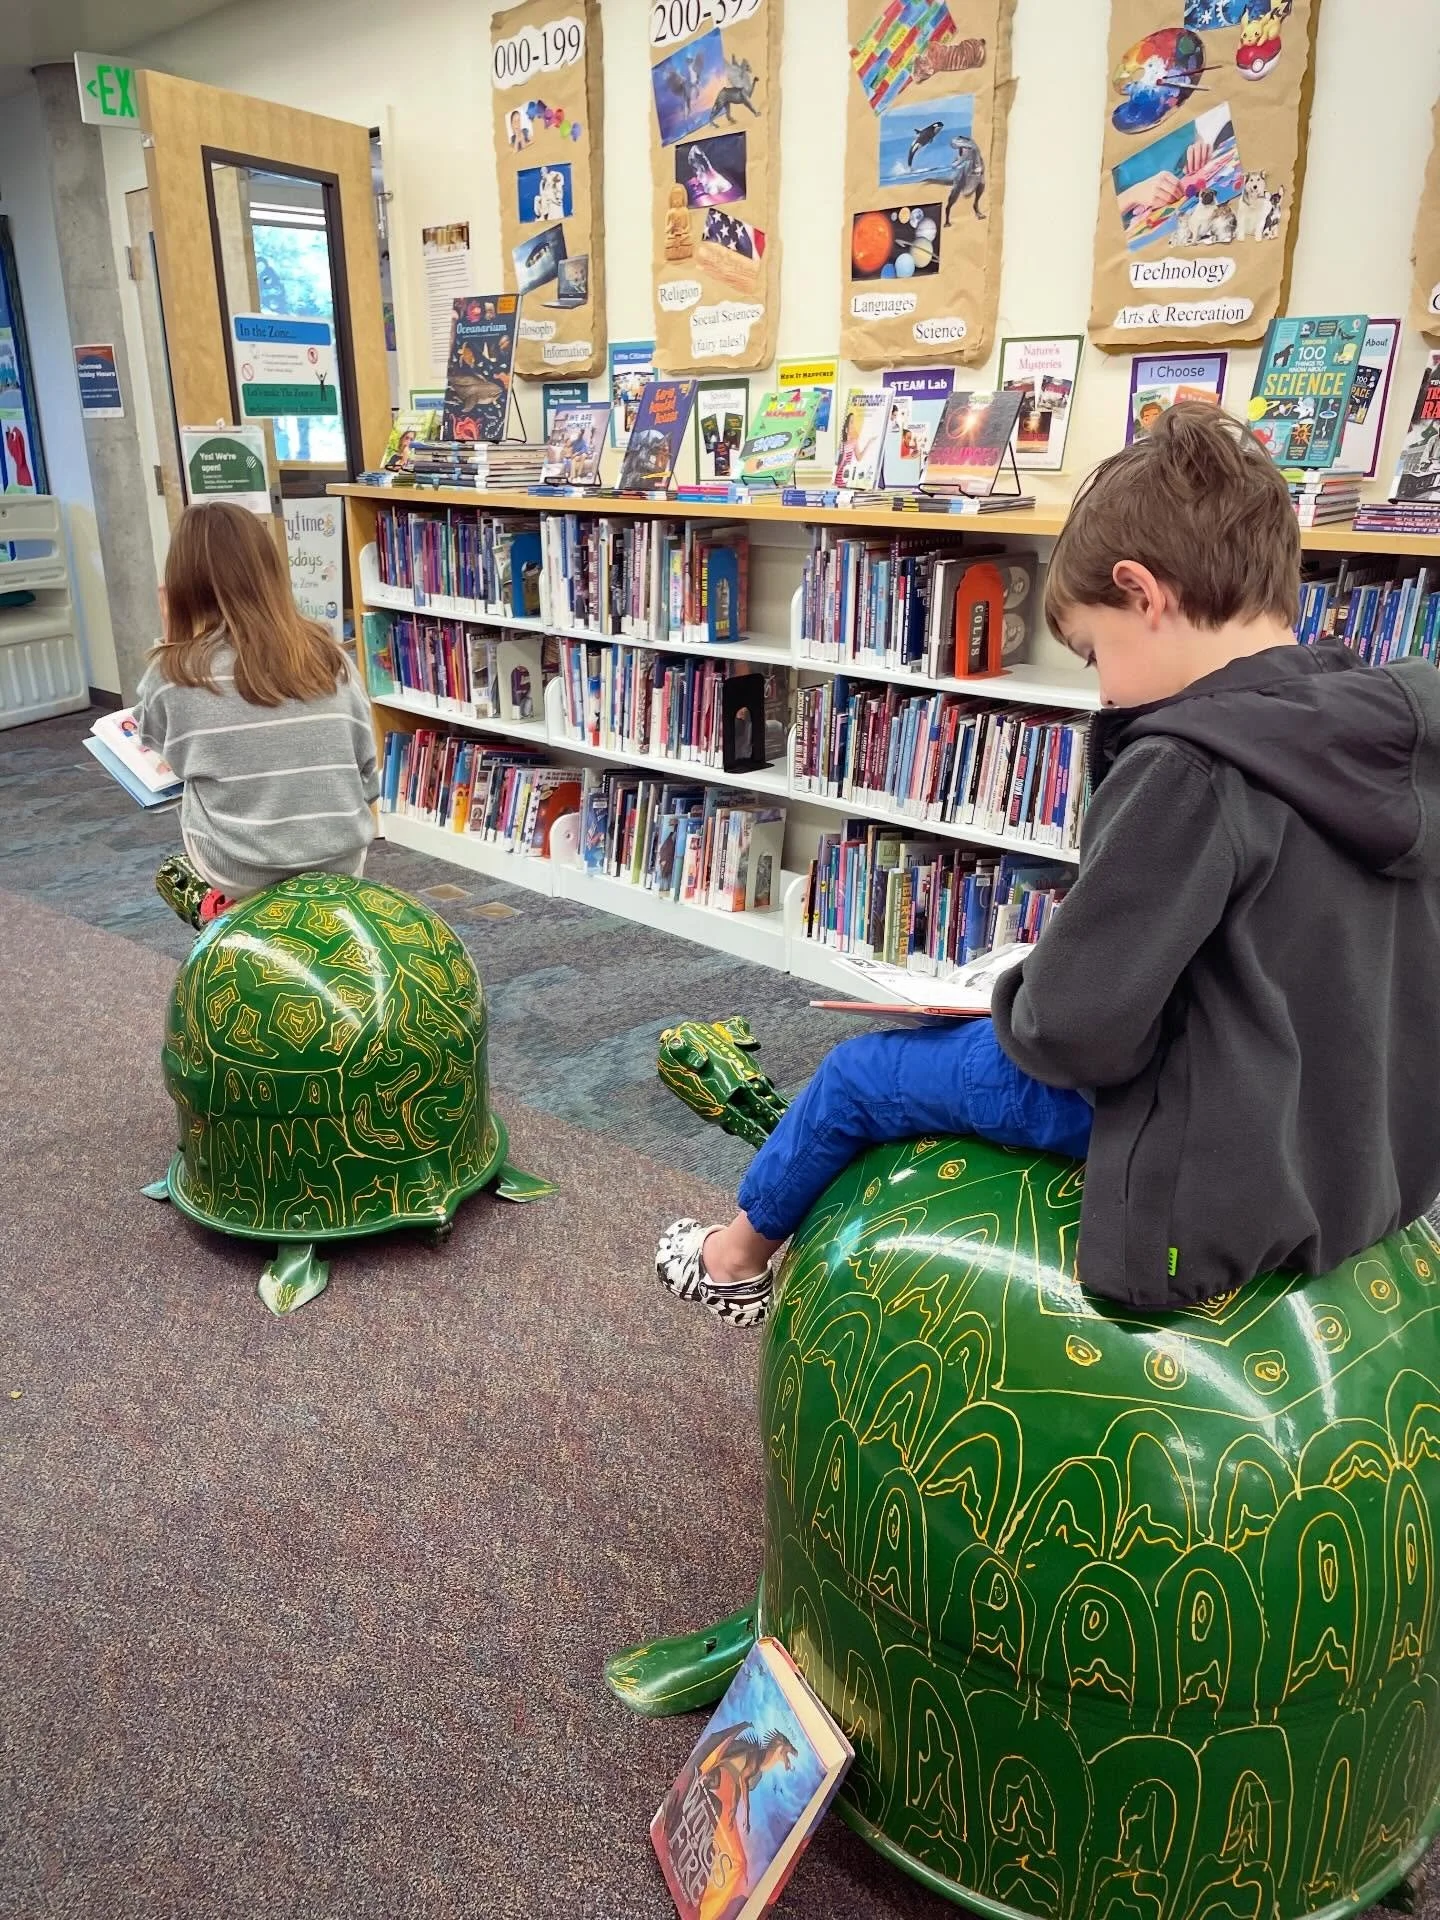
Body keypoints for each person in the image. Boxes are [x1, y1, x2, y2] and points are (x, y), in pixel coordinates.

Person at [658, 402, 1440, 1325]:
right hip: (1347, 1141)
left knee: (862, 1076)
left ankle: (733, 1258)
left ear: (1143, 593)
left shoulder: (1188, 765)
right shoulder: (1389, 728)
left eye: (1092, 652)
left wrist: (1016, 994)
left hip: (1194, 1140)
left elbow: (1075, 1034)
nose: (1102, 689)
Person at [136, 502, 378, 925]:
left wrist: (174, 634)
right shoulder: (331, 657)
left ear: (180, 584)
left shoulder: (172, 674)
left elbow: (157, 748)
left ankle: (224, 913)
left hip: (240, 871)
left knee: (174, 861)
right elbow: (368, 776)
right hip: (341, 862)